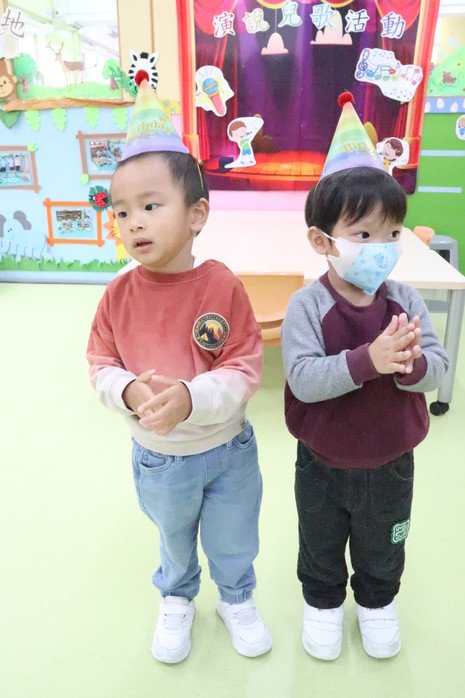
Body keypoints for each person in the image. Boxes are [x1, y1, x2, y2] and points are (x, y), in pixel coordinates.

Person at [86, 79, 271, 664]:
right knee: (173, 538)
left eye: (150, 206)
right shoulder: (117, 295)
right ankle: (177, 596)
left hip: (227, 448)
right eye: (121, 211)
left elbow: (244, 363)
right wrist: (128, 389)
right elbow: (99, 363)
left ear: (197, 214)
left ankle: (236, 597)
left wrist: (192, 397)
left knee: (234, 535)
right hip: (159, 457)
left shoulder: (221, 284)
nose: (133, 222)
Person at [282, 94, 449, 662]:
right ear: (321, 240)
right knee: (320, 541)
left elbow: (437, 367)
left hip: (391, 462)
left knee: (385, 542)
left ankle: (377, 603)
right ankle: (323, 604)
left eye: (392, 234)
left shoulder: (405, 300)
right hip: (322, 462)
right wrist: (368, 361)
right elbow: (302, 379)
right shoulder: (308, 306)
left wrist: (411, 366)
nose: (381, 249)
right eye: (363, 235)